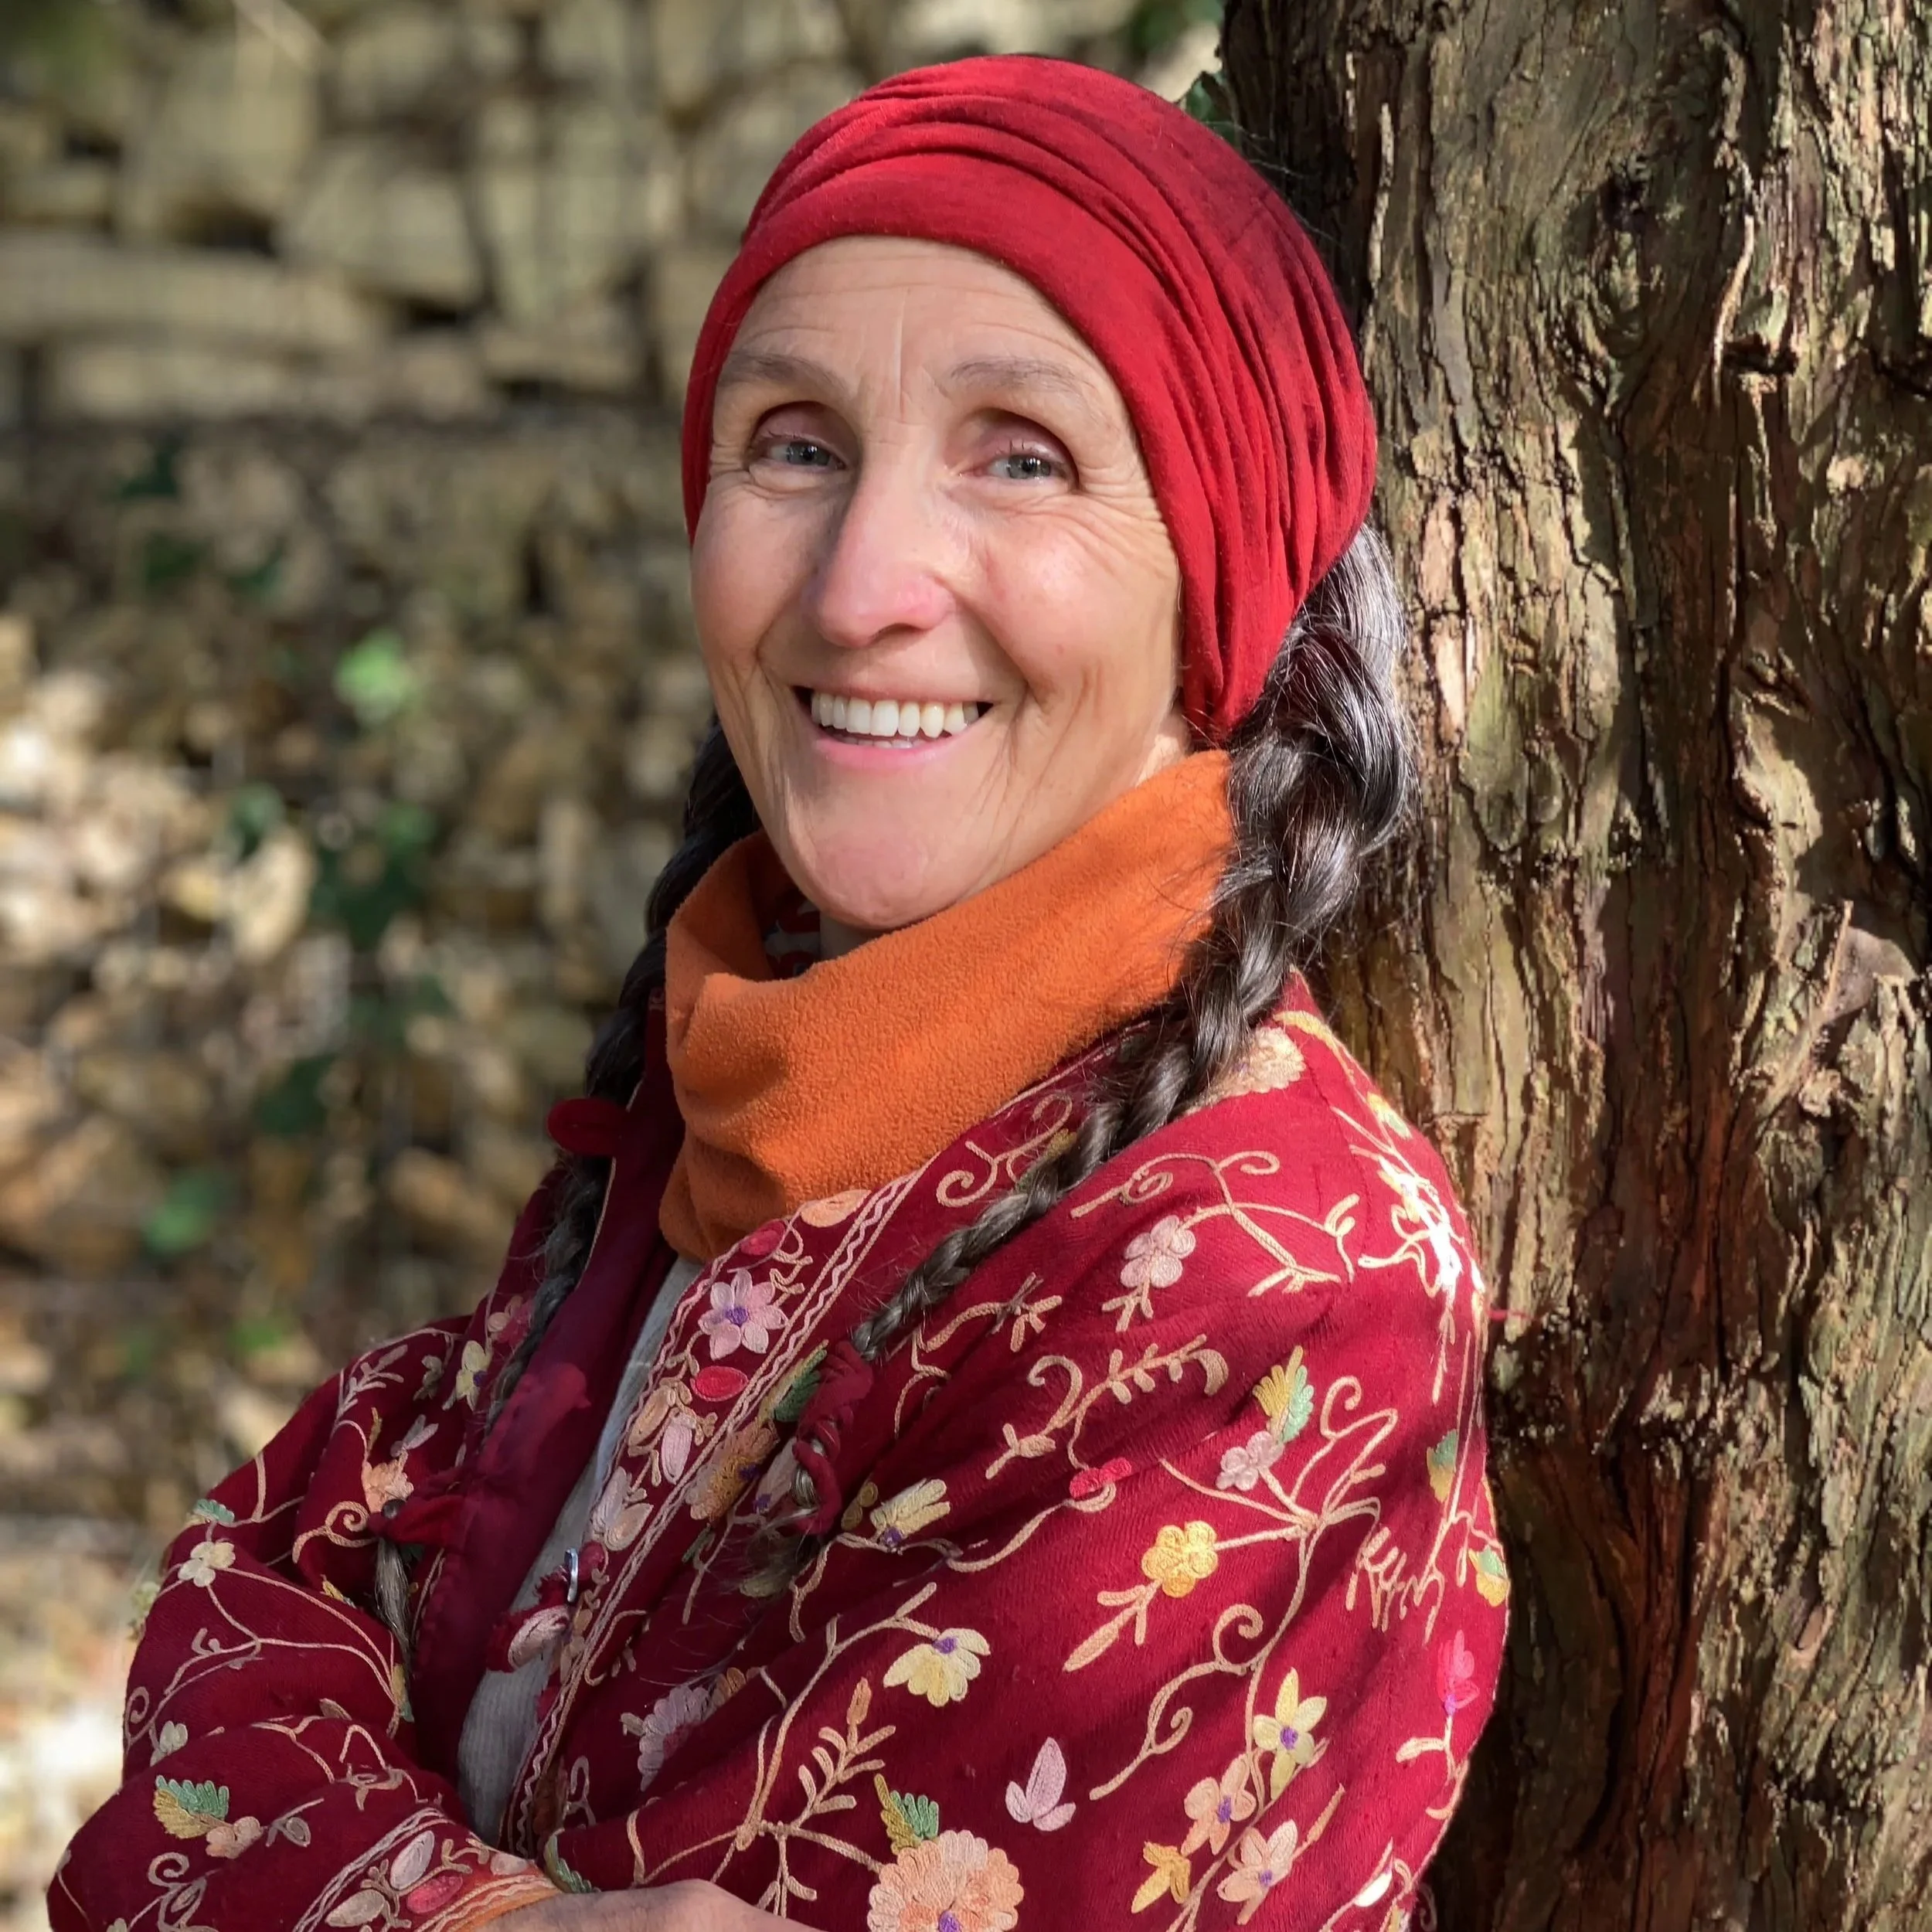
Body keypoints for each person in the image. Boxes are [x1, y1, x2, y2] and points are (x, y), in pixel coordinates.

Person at [51, 54, 1508, 1932]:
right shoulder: (729, 1092)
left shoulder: (1276, 1281)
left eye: (1021, 454)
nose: (856, 585)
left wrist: (363, 1859)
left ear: (1216, 586)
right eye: (797, 443)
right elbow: (263, 1590)